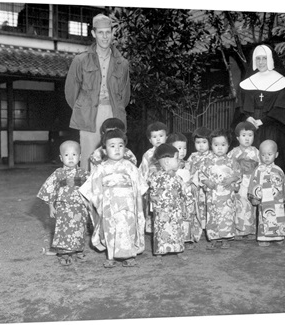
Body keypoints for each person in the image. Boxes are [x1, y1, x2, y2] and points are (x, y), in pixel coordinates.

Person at [232, 44, 285, 214]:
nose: (261, 61)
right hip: (252, 130)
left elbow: (283, 109)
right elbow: (241, 106)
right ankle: (251, 205)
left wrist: (263, 120)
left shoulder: (281, 81)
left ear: (269, 60)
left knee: (275, 163)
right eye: (258, 58)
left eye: (264, 58)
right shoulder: (247, 82)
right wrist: (247, 117)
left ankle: (278, 205)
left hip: (273, 129)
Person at [64, 14, 131, 171]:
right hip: (88, 114)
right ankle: (87, 194)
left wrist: (116, 109)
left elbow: (125, 94)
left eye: (108, 32)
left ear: (113, 33)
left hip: (113, 112)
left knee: (114, 156)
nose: (105, 36)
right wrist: (83, 108)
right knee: (89, 157)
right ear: (93, 33)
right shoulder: (80, 60)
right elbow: (70, 92)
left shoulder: (122, 63)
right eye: (100, 32)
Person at [79, 129, 148, 268]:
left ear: (125, 148)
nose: (117, 149)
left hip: (128, 204)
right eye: (112, 146)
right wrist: (98, 201)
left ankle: (130, 255)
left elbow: (141, 187)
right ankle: (110, 256)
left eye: (120, 145)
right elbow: (91, 188)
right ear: (104, 150)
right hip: (109, 205)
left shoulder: (130, 167)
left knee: (128, 228)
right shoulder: (101, 168)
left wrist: (139, 202)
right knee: (110, 229)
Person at [37, 141, 90, 266]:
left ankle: (78, 249)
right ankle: (64, 253)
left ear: (80, 157)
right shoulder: (58, 173)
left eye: (74, 154)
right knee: (63, 230)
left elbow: (91, 189)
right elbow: (50, 189)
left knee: (80, 228)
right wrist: (51, 206)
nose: (71, 158)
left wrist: (90, 203)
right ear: (61, 158)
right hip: (63, 207)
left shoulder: (84, 174)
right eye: (67, 155)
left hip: (79, 207)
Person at [199, 129, 241, 250]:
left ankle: (225, 238)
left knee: (226, 216)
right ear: (211, 146)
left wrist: (232, 179)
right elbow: (201, 175)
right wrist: (206, 181)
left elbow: (238, 174)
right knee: (212, 217)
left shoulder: (232, 161)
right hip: (213, 196)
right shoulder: (207, 161)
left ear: (228, 145)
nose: (220, 148)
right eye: (216, 145)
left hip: (227, 196)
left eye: (223, 145)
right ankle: (214, 238)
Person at [148, 143, 191, 261]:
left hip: (176, 210)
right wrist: (156, 204)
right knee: (161, 230)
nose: (179, 161)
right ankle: (159, 252)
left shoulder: (178, 178)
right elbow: (152, 193)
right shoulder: (155, 177)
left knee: (177, 229)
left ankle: (178, 250)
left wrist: (187, 206)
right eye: (177, 158)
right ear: (167, 161)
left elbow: (185, 192)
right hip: (162, 211)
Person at [248, 140, 285, 247]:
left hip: (277, 201)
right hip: (264, 201)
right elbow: (253, 183)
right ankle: (264, 238)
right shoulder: (258, 171)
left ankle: (278, 236)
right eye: (263, 155)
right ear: (259, 155)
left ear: (276, 155)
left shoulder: (278, 170)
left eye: (269, 154)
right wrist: (254, 197)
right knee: (264, 218)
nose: (266, 157)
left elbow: (284, 184)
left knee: (278, 218)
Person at [227, 121, 260, 240]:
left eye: (250, 135)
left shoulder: (257, 152)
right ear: (237, 137)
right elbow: (228, 166)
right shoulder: (233, 152)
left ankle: (251, 230)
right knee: (239, 204)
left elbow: (261, 166)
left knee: (252, 204)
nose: (247, 138)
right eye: (244, 135)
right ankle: (239, 230)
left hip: (252, 180)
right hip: (239, 182)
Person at [167, 133, 198, 249]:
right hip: (174, 196)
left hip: (187, 195)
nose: (182, 151)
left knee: (187, 216)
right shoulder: (167, 165)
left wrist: (193, 184)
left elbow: (195, 176)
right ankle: (173, 238)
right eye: (179, 148)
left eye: (184, 148)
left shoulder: (189, 164)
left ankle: (186, 239)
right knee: (174, 216)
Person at [138, 121, 168, 233]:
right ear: (150, 140)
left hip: (168, 186)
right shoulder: (148, 154)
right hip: (153, 186)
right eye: (155, 137)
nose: (158, 139)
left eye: (161, 136)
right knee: (153, 208)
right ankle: (154, 230)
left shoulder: (171, 151)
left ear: (166, 137)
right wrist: (145, 187)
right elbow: (144, 171)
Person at [187, 127, 213, 242]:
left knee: (209, 209)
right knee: (196, 209)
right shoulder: (193, 156)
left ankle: (209, 231)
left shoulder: (212, 156)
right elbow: (187, 171)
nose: (201, 145)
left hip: (208, 189)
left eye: (204, 142)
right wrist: (191, 182)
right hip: (196, 189)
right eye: (198, 142)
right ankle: (196, 233)